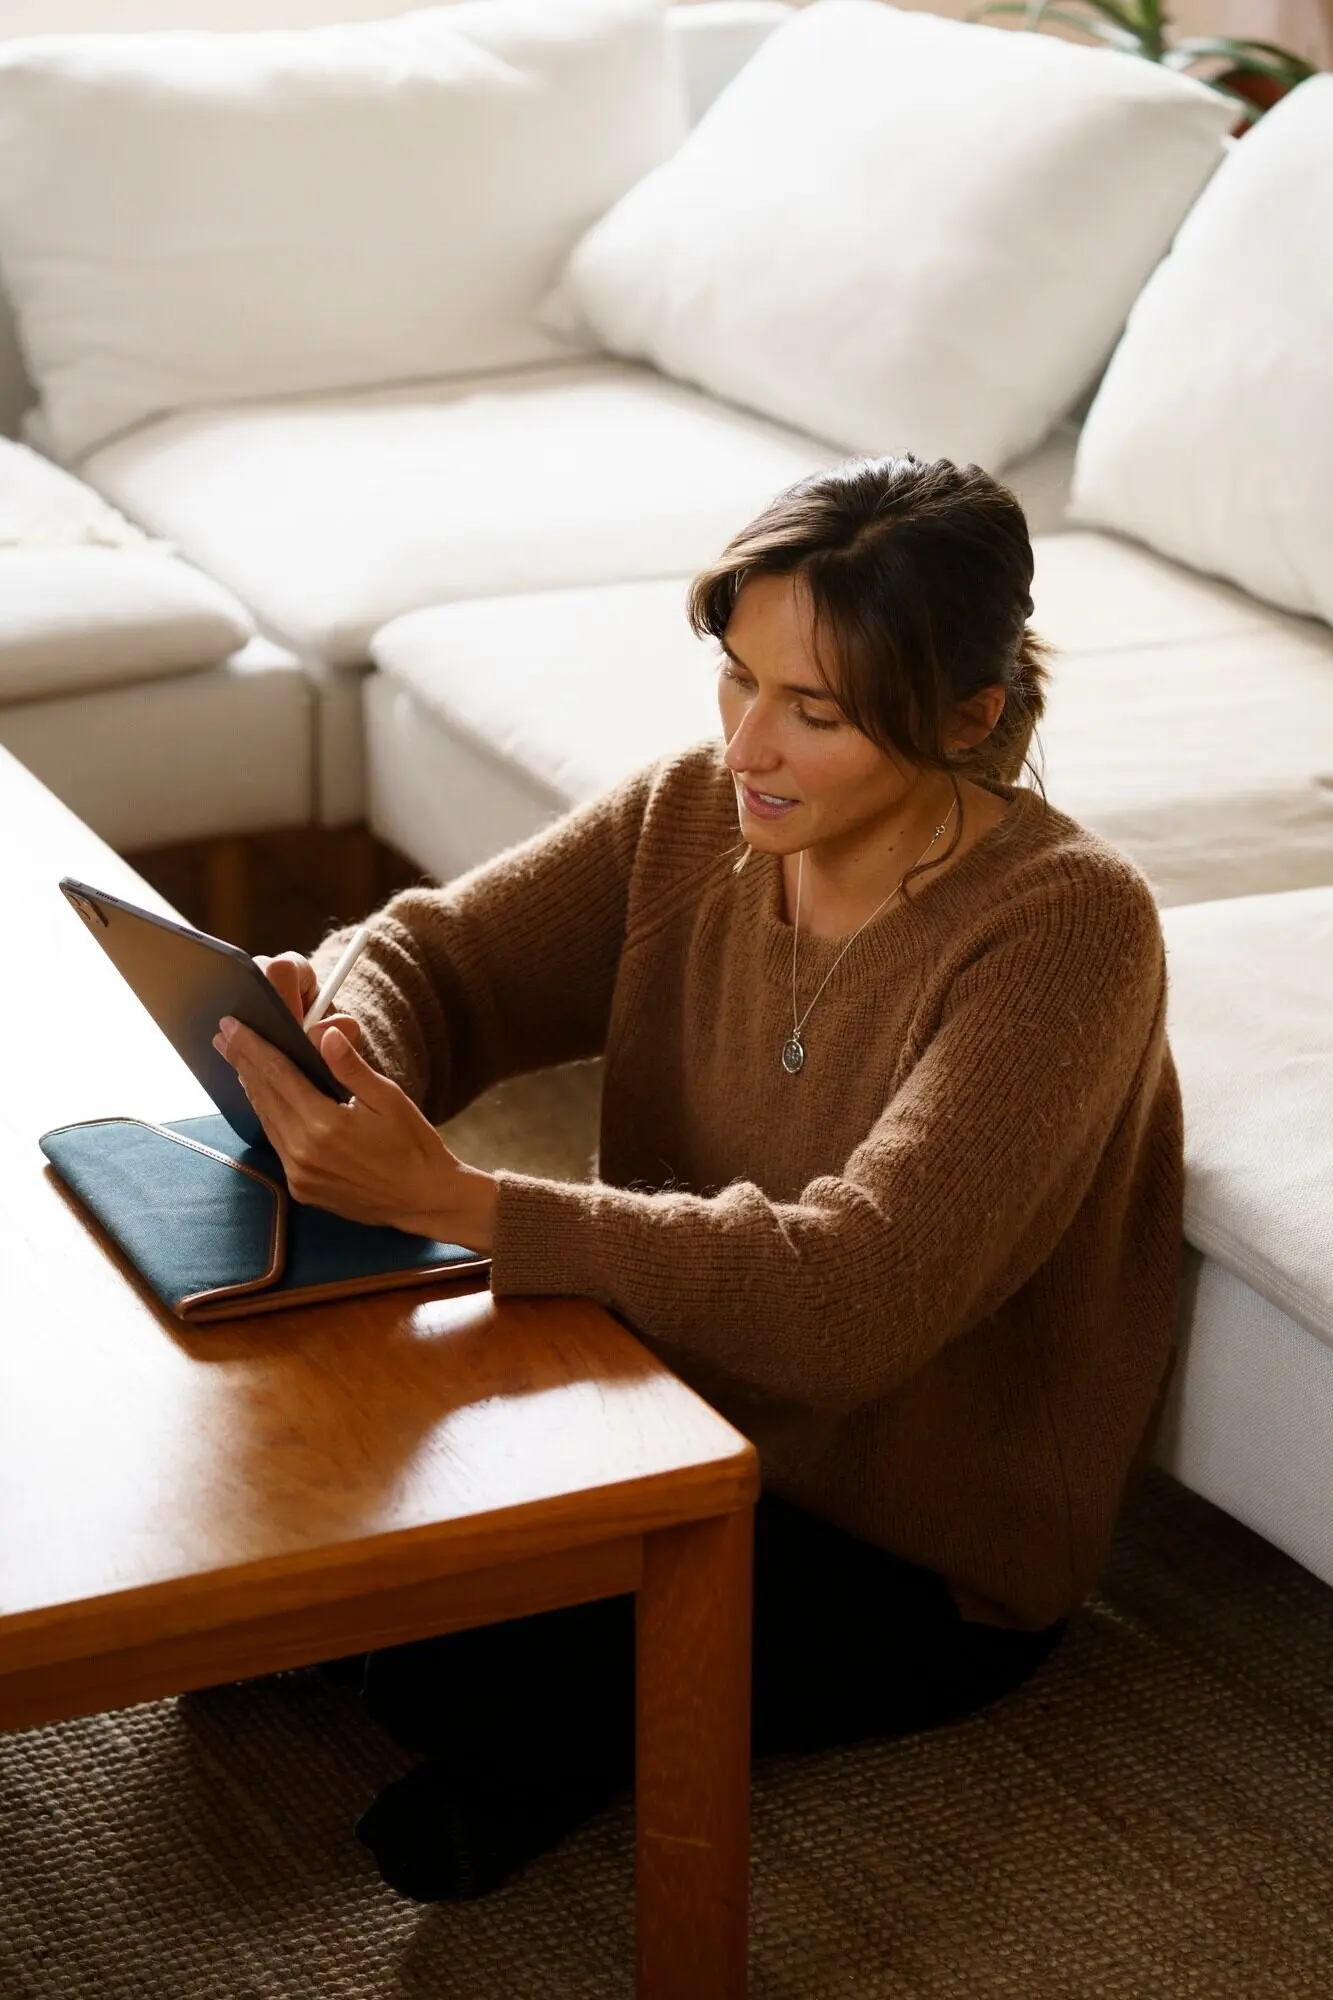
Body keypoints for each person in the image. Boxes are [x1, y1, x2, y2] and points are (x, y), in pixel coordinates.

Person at [214, 454, 1183, 1902]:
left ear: (971, 718)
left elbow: (856, 1295)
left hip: (905, 1540)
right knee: (295, 1455)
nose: (749, 748)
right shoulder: (695, 818)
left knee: (451, 1668)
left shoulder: (1067, 933)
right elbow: (439, 954)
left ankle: (522, 1730)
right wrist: (350, 1040)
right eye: (737, 680)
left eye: (818, 712)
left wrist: (465, 1207)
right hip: (662, 1401)